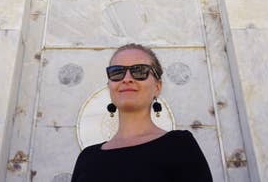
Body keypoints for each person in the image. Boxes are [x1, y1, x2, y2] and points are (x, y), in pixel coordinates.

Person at [71, 43, 213, 182]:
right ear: (110, 86)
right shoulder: (87, 159)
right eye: (117, 72)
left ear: (157, 87)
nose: (127, 79)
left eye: (139, 71)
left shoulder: (180, 146)